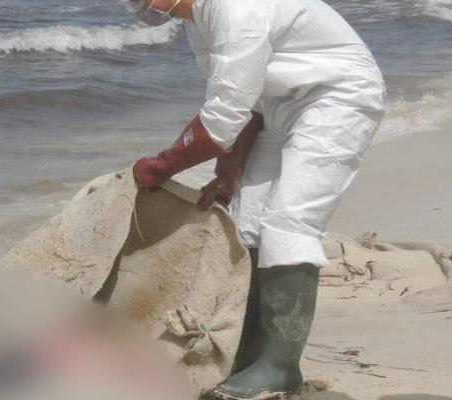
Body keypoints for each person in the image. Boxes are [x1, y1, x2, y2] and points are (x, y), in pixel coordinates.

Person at [119, 0, 386, 398]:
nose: (137, 4)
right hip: (280, 106)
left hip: (336, 98)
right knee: (245, 223)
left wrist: (161, 165)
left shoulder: (237, 10)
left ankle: (280, 366)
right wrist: (232, 168)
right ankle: (251, 353)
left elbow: (219, 120)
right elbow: (241, 100)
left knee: (288, 221)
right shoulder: (198, 21)